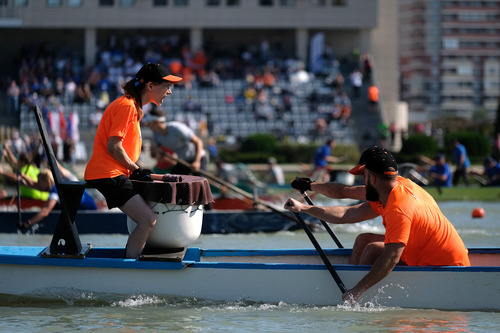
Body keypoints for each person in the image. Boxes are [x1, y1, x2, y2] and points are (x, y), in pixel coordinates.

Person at [284, 146, 470, 303]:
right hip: (428, 251)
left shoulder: (399, 208)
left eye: (363, 175)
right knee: (364, 239)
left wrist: (358, 290)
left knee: (373, 249)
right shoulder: (396, 186)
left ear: (371, 178)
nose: (362, 180)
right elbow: (345, 205)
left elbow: (391, 259)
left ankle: (354, 296)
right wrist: (306, 201)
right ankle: (349, 293)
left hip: (447, 268)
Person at [84, 63, 182, 259]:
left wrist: (136, 169)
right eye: (167, 86)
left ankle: (135, 260)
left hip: (115, 172)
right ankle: (131, 266)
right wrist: (136, 169)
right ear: (150, 86)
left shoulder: (133, 106)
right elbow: (114, 146)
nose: (169, 91)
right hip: (108, 174)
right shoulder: (127, 106)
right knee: (148, 220)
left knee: (148, 217)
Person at [18, 166, 98, 232]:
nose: (37, 183)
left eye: (39, 181)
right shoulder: (59, 183)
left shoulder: (55, 190)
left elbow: (45, 212)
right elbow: (38, 186)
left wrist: (28, 223)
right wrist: (23, 176)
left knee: (54, 207)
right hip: (87, 208)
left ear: (47, 182)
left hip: (90, 213)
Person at [142, 108, 207, 176]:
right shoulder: (156, 135)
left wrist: (197, 162)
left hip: (198, 157)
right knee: (174, 181)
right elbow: (157, 152)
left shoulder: (177, 128)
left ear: (157, 122)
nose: (148, 126)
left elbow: (198, 142)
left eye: (149, 123)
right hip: (182, 161)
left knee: (199, 182)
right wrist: (160, 156)